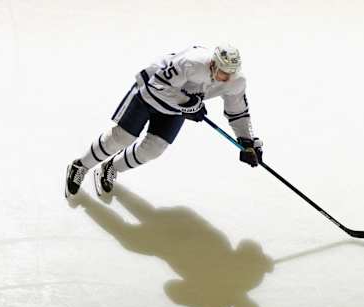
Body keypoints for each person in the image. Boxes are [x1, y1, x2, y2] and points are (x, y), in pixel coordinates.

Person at [65, 44, 263, 198]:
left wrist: (247, 142)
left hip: (176, 108)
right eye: (224, 72)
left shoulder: (236, 81)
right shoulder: (193, 62)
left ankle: (110, 168)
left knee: (153, 149)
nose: (227, 78)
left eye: (231, 73)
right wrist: (189, 104)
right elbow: (157, 86)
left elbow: (238, 111)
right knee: (122, 137)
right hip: (148, 95)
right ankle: (80, 166)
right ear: (213, 64)